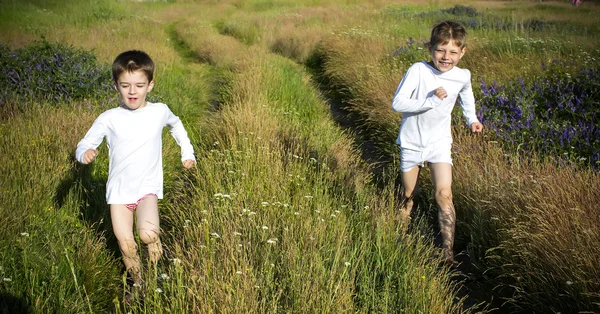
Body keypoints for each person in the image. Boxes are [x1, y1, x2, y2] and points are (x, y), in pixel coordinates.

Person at [76, 50, 196, 290]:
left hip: (146, 189)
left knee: (147, 234)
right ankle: (139, 283)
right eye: (125, 85)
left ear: (150, 85)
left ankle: (155, 245)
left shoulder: (159, 111)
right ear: (116, 86)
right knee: (126, 244)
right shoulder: (109, 118)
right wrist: (84, 154)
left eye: (139, 85)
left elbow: (177, 125)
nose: (132, 91)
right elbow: (85, 143)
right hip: (118, 194)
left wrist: (187, 152)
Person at [392, 21, 483, 265]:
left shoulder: (463, 75)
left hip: (439, 143)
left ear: (462, 52)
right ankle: (398, 241)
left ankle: (447, 253)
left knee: (444, 194)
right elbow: (398, 103)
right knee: (408, 195)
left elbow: (466, 97)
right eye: (441, 50)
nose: (446, 57)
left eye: (453, 52)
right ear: (430, 48)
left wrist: (471, 120)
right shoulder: (418, 70)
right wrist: (430, 101)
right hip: (412, 142)